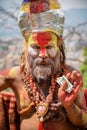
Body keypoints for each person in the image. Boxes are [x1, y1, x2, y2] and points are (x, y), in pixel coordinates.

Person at [0, 0, 87, 130]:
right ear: (26, 48)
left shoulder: (70, 76)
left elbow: (83, 122)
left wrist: (69, 106)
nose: (43, 54)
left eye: (49, 47)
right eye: (35, 47)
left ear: (58, 47)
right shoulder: (15, 76)